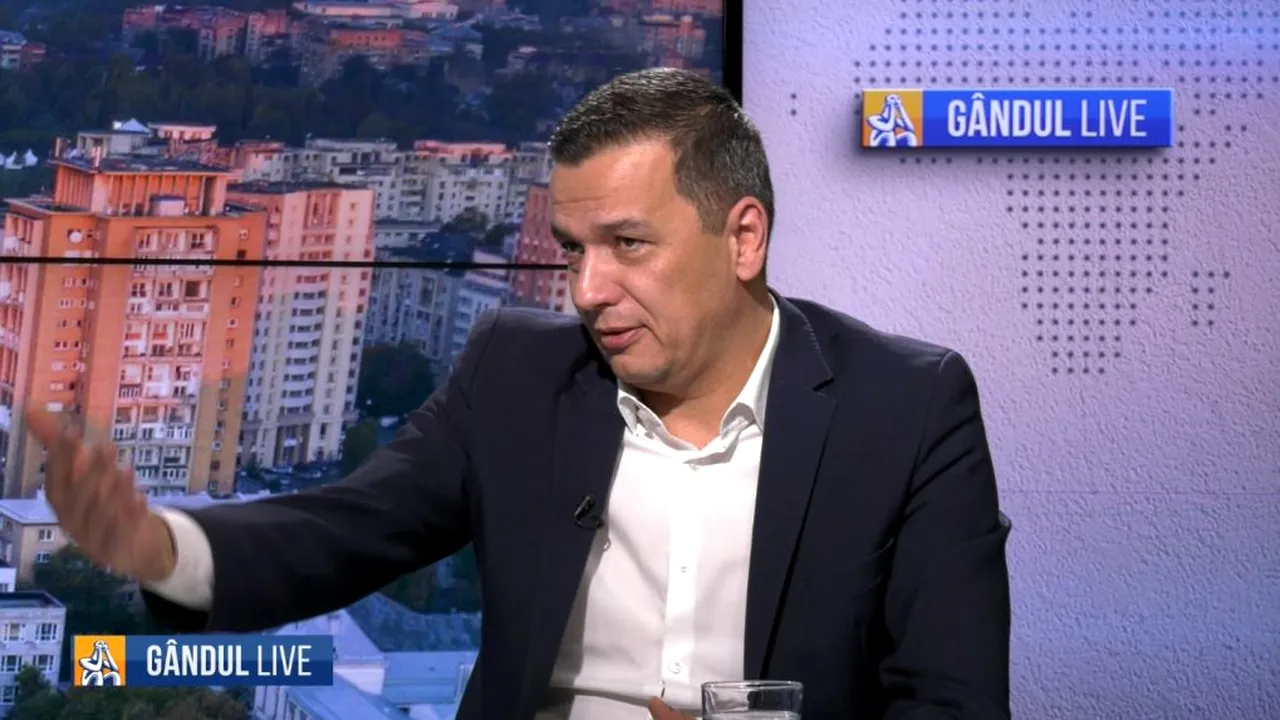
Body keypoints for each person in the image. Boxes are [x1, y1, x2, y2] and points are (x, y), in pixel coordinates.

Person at [25, 68, 1011, 720]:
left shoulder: (907, 411)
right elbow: (343, 530)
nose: (587, 290)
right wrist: (158, 547)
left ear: (742, 237)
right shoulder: (517, 374)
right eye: (573, 250)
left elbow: (953, 703)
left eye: (627, 245)